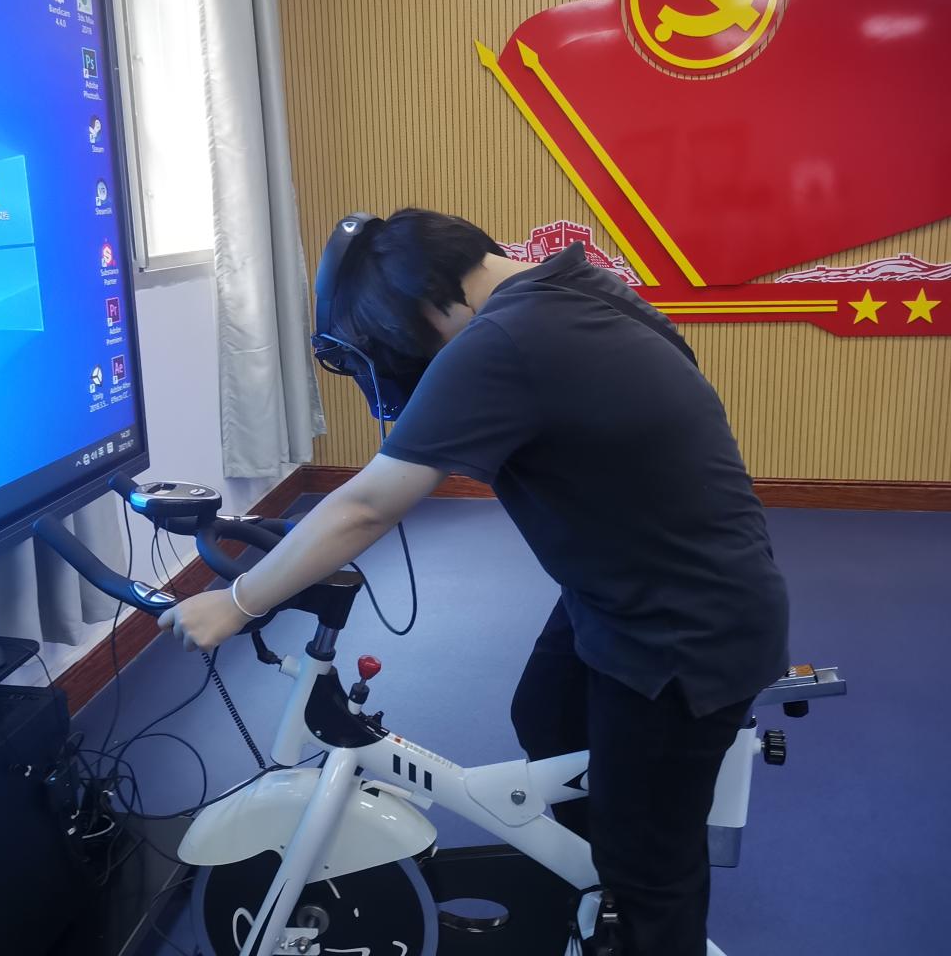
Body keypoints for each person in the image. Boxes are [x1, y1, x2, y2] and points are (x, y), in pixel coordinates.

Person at [158, 208, 790, 956]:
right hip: (640, 587)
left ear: (422, 306)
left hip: (682, 628)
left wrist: (237, 601)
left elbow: (367, 505)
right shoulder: (572, 286)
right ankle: (600, 878)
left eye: (387, 340)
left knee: (655, 870)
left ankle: (634, 892)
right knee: (547, 715)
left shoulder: (508, 340)